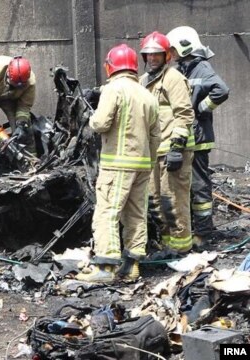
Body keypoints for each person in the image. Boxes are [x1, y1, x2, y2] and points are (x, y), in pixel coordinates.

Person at [76, 44, 160, 283]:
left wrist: (89, 118)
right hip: (143, 164)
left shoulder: (114, 89)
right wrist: (150, 162)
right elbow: (156, 135)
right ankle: (131, 266)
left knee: (107, 213)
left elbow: (101, 124)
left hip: (117, 164)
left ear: (110, 66)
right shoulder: (147, 94)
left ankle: (105, 266)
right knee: (136, 214)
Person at [166, 26, 230, 247]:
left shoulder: (201, 68)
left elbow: (221, 90)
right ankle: (196, 228)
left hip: (199, 139)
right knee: (189, 184)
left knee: (199, 185)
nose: (170, 55)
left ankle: (203, 233)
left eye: (172, 50)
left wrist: (201, 109)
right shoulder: (185, 69)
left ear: (184, 48)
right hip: (188, 136)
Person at [139, 31, 195, 254]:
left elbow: (184, 114)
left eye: (157, 55)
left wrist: (176, 148)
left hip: (173, 152)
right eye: (148, 55)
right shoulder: (144, 81)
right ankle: (166, 245)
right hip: (153, 153)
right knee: (155, 201)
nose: (152, 59)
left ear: (166, 56)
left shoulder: (173, 79)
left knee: (173, 201)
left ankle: (181, 249)